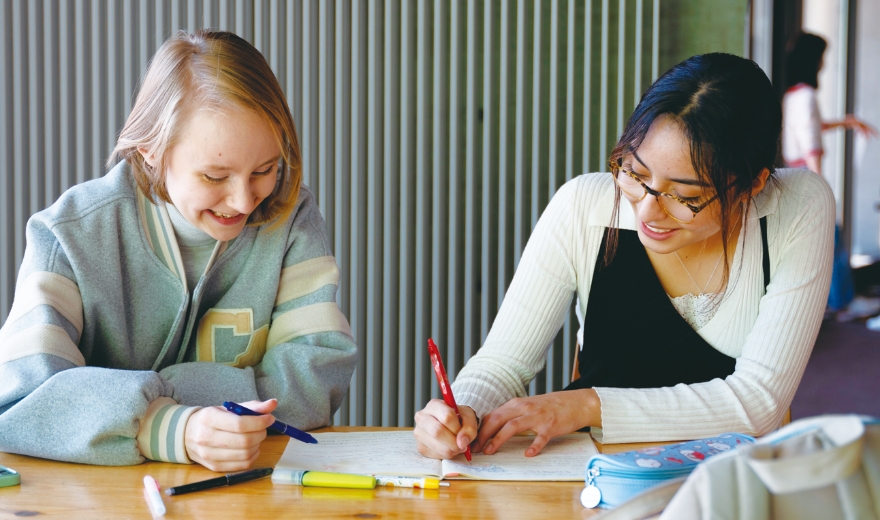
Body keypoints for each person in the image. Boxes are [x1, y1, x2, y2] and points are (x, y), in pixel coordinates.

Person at [415, 53, 834, 460]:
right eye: (634, 173)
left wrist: (585, 405)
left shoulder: (795, 209)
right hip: (593, 480)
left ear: (753, 183)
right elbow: (503, 364)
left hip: (729, 486)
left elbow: (758, 401)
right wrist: (460, 413)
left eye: (685, 195)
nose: (647, 211)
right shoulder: (583, 207)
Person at [0, 30, 357, 471]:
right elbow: (21, 401)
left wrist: (141, 396)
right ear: (150, 151)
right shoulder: (69, 233)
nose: (245, 202)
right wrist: (167, 426)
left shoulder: (291, 216)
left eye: (265, 169)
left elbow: (318, 374)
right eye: (215, 176)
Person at [782, 31, 878, 322]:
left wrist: (846, 122)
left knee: (817, 241)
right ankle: (844, 303)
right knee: (831, 238)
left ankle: (832, 302)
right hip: (806, 173)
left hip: (793, 173)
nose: (823, 63)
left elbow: (811, 126)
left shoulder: (793, 94)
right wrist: (821, 184)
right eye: (821, 57)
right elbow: (810, 140)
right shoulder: (807, 95)